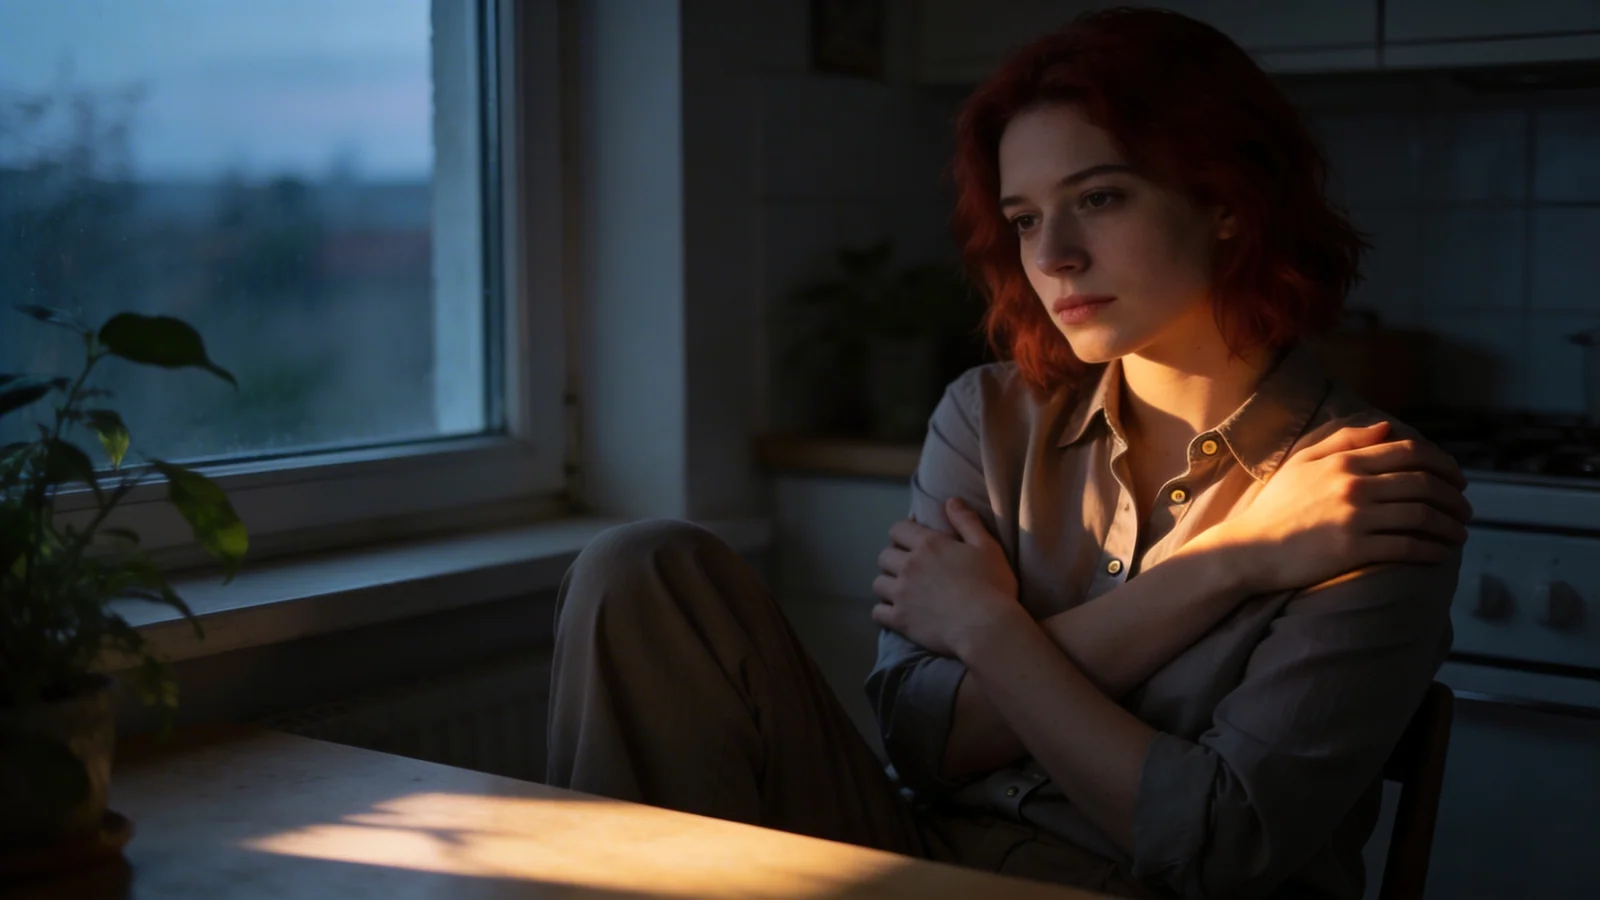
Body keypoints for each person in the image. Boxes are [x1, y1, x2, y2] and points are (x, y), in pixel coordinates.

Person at [546, 8, 1470, 899]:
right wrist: (1231, 568)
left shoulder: (1366, 489)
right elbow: (917, 739)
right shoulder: (987, 416)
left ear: (1225, 200)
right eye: (1026, 218)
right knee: (643, 568)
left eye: (1100, 197)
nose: (1056, 255)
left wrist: (986, 630)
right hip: (916, 856)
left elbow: (1216, 848)